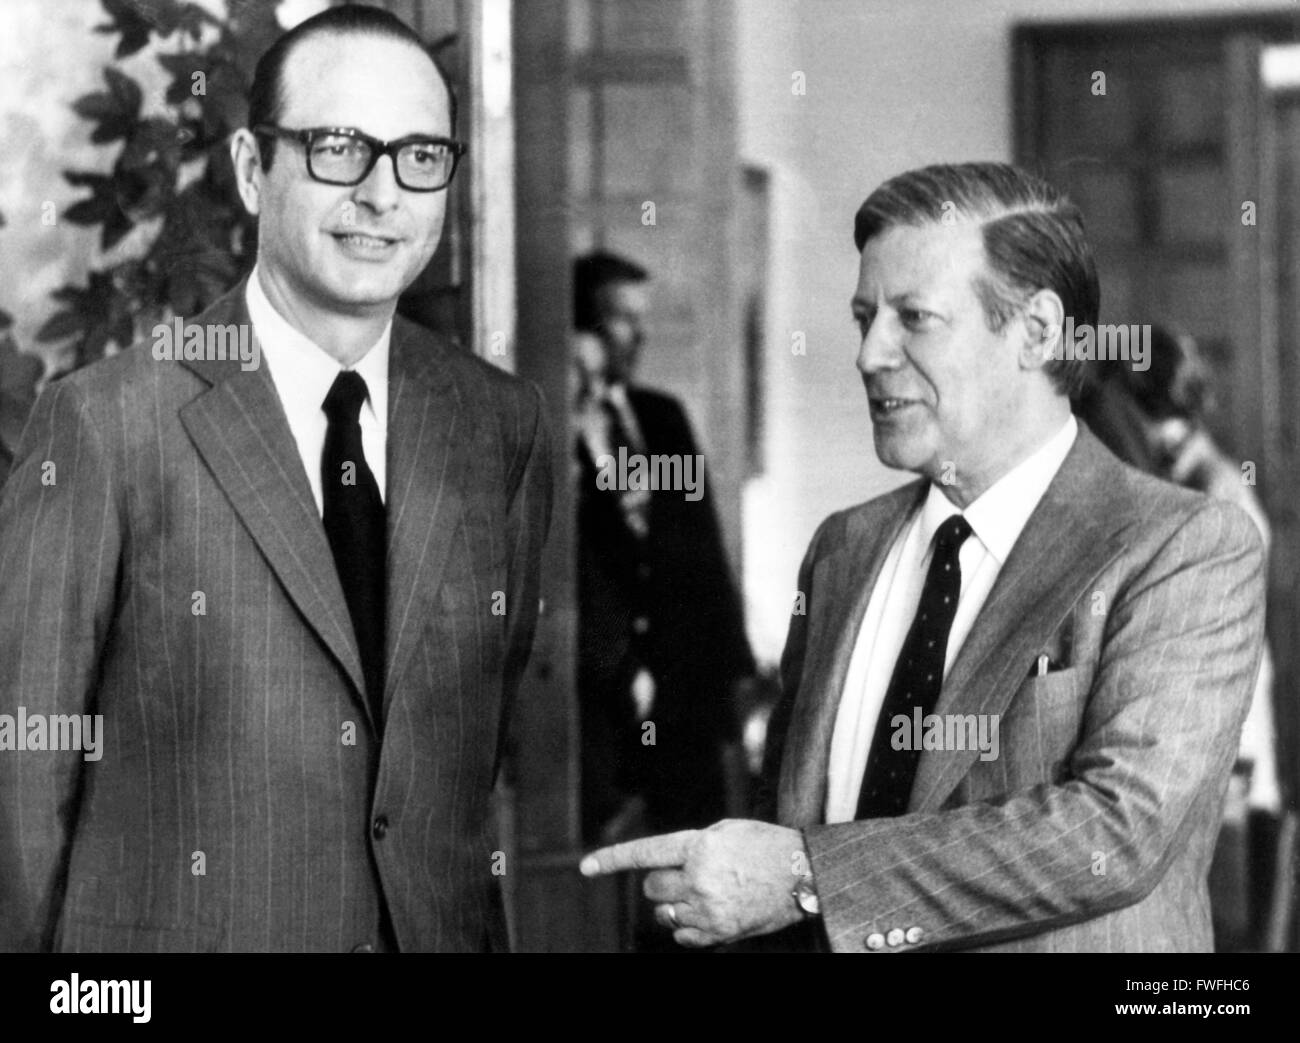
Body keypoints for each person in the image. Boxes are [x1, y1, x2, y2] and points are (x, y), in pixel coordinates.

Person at [581, 162, 1266, 953]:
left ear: (1037, 331)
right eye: (864, 317)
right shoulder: (843, 548)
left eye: (914, 317)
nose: (871, 354)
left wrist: (808, 874)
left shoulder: (1182, 547)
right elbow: (785, 831)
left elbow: (1114, 833)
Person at [0, 5, 551, 952]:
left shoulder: (497, 424)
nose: (384, 195)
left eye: (421, 155)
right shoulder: (107, 425)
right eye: (341, 148)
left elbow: (470, 753)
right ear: (254, 172)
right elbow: (18, 785)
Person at [572, 251, 755, 850]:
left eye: (641, 318)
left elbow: (703, 551)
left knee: (698, 856)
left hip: (686, 692)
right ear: (585, 327)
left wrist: (733, 672)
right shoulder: (556, 423)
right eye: (624, 319)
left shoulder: (662, 418)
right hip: (601, 692)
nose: (640, 334)